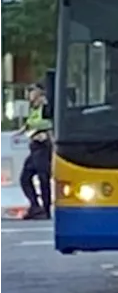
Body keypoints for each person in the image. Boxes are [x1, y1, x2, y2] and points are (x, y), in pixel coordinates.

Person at [19, 84, 53, 220]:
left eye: (30, 92)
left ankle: (44, 210)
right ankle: (36, 207)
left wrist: (37, 129)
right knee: (25, 178)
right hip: (35, 145)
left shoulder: (46, 107)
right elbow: (30, 123)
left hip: (43, 145)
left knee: (43, 178)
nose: (28, 96)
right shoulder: (34, 108)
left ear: (38, 93)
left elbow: (50, 123)